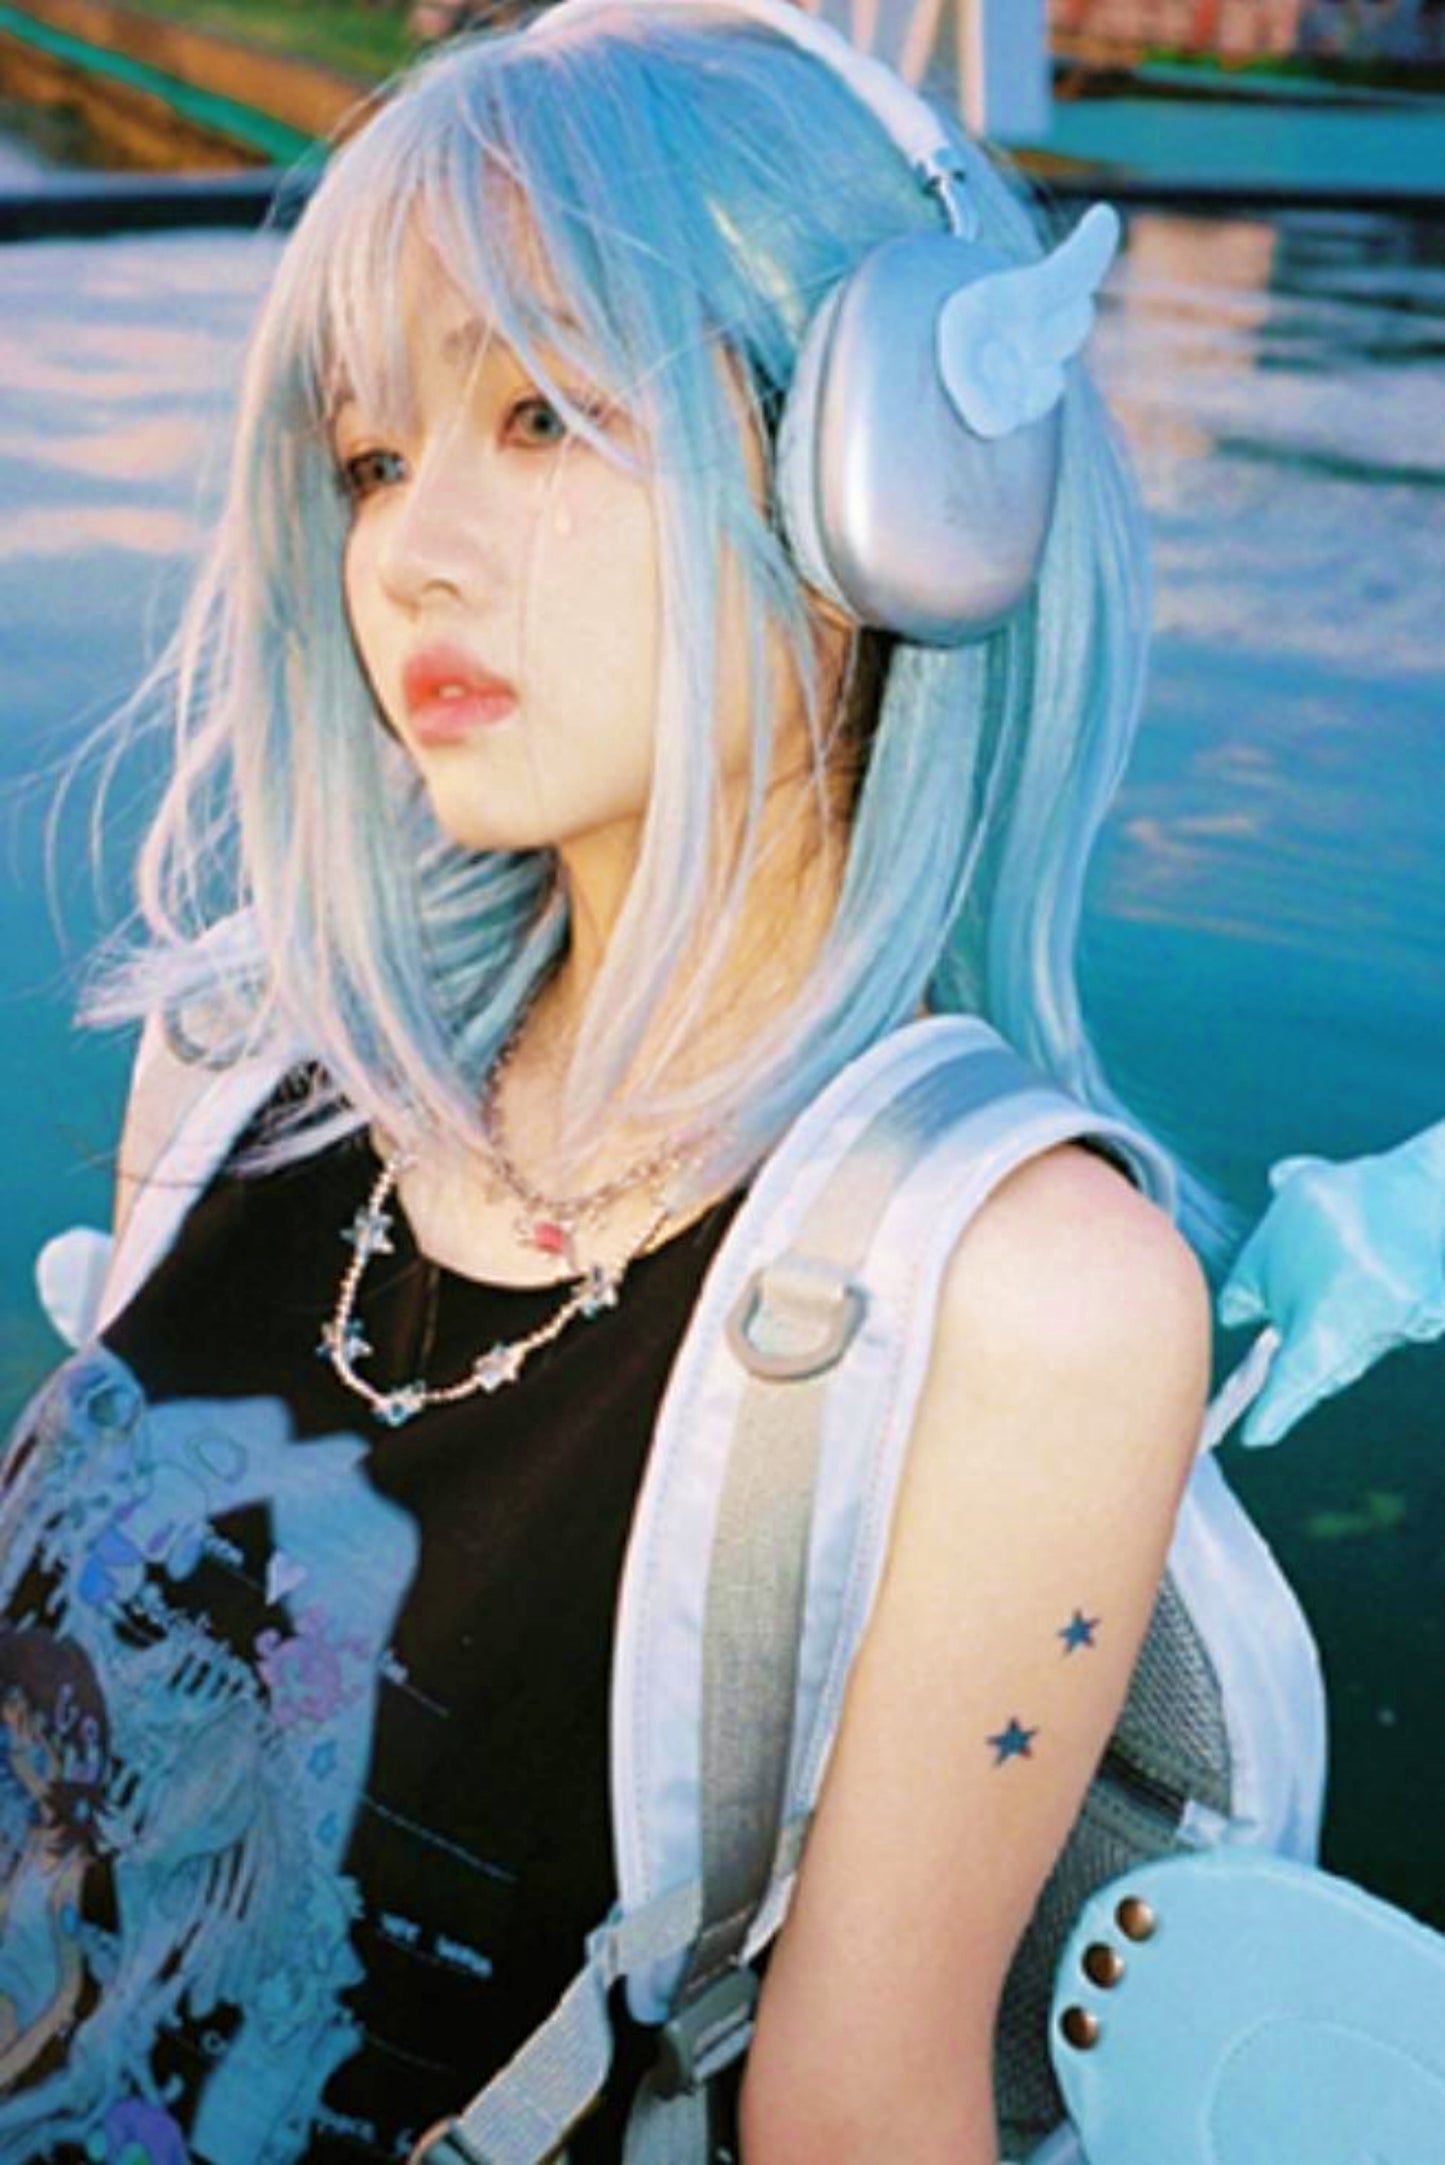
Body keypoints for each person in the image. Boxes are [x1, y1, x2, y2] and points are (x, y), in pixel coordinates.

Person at [3, 3, 1230, 2160]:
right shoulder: (236, 1073)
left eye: (544, 415)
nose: (408, 548)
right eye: (375, 459)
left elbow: (857, 2113)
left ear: (891, 488)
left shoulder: (1030, 1300)